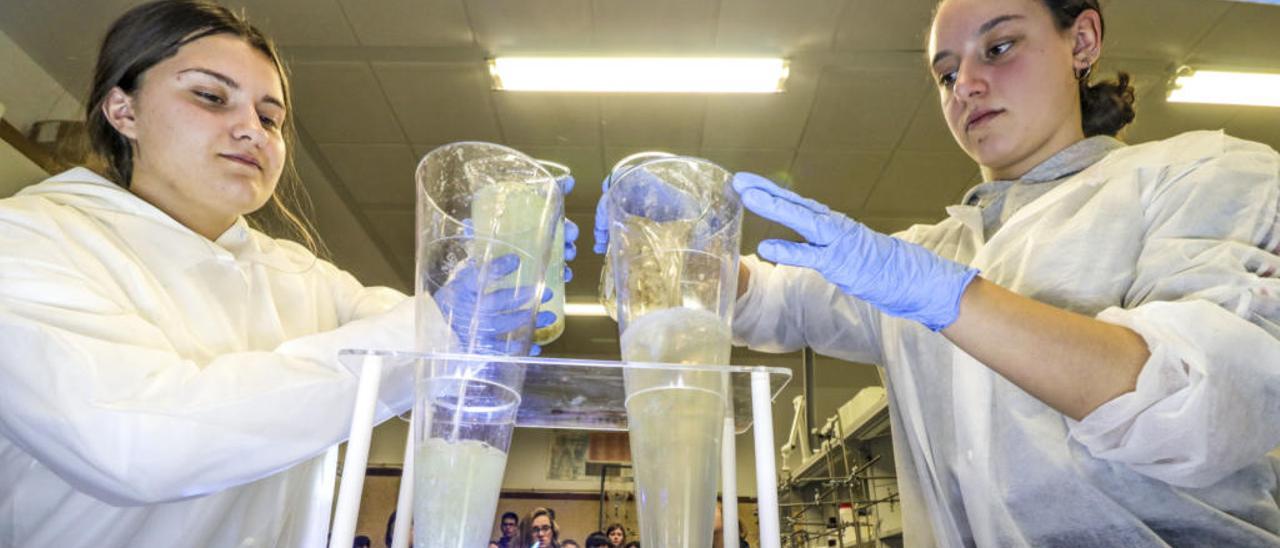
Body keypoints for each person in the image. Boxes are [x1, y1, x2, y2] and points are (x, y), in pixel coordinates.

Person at [594, 0, 1280, 545]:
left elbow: (1201, 409)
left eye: (999, 47)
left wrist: (950, 298)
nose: (968, 86)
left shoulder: (1202, 175)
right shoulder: (932, 252)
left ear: (1083, 40)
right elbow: (765, 299)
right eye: (947, 73)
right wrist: (666, 245)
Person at [0, 1, 575, 547]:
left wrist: (502, 279)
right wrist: (432, 327)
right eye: (210, 96)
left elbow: (431, 350)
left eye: (269, 117)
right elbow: (134, 446)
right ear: (123, 110)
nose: (252, 129)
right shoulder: (31, 238)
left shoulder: (301, 275)